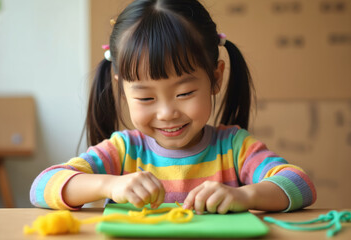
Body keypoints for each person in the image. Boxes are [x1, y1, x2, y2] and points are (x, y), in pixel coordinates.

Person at [30, 0, 316, 214]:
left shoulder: (234, 149)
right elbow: (42, 187)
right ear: (122, 87)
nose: (167, 113)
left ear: (215, 78)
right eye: (146, 98)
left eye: (185, 93)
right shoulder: (123, 151)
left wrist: (247, 196)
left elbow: (300, 184)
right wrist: (110, 186)